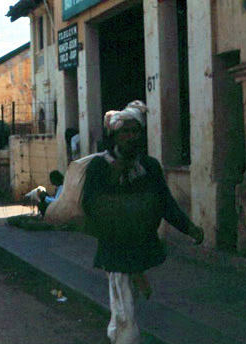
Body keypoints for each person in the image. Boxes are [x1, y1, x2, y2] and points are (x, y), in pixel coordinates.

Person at [82, 101, 204, 344]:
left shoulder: (149, 167)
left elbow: (165, 202)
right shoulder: (100, 166)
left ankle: (116, 335)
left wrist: (189, 228)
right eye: (125, 132)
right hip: (114, 248)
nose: (130, 136)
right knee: (124, 305)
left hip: (141, 246)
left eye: (134, 131)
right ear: (115, 135)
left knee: (127, 303)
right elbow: (90, 204)